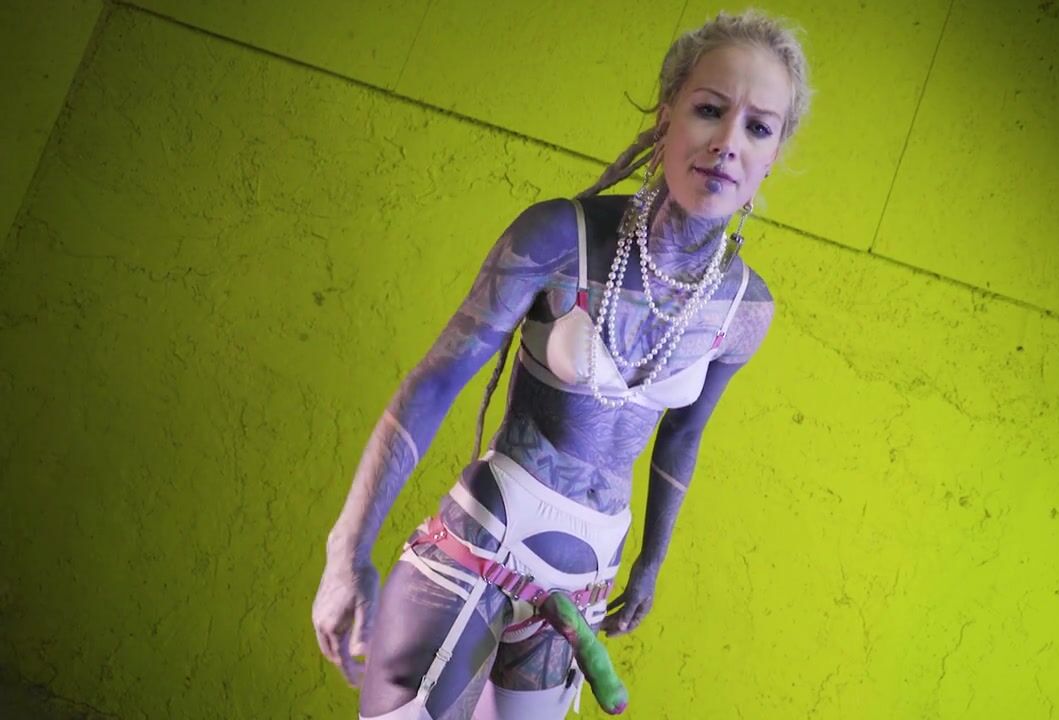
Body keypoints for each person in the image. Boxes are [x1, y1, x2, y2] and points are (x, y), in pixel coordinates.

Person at [312, 9, 812, 719]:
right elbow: (436, 379)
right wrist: (347, 549)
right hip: (482, 543)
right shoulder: (559, 237)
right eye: (709, 109)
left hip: (586, 582)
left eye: (758, 127)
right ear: (667, 116)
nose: (728, 142)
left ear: (772, 156)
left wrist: (651, 562)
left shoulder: (743, 310)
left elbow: (683, 435)